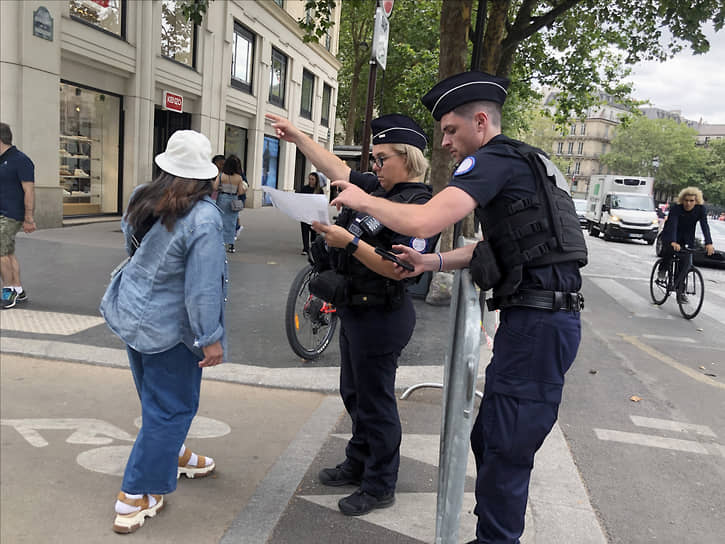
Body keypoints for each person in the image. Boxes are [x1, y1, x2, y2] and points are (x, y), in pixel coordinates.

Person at [329, 71, 587, 543]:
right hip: (536, 319)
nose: (445, 142)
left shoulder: (493, 161)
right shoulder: (526, 163)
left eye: (450, 130)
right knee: (489, 437)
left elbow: (425, 216)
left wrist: (364, 199)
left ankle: (495, 539)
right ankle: (493, 533)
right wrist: (433, 260)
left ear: (482, 121)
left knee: (505, 445)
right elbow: (498, 247)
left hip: (539, 322)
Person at [268, 112, 439, 516]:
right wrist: (297, 136)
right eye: (374, 159)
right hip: (355, 310)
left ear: (407, 159)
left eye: (381, 159)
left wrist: (348, 243)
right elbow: (334, 165)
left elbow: (399, 269)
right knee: (354, 393)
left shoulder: (419, 206)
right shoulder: (375, 188)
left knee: (376, 403)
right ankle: (358, 460)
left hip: (383, 315)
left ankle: (380, 483)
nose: (374, 167)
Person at [99, 130, 226, 534]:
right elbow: (203, 287)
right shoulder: (205, 217)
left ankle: (172, 453)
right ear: (208, 175)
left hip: (133, 312)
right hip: (171, 328)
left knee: (157, 402)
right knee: (171, 409)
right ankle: (134, 496)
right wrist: (211, 337)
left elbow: (131, 245)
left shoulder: (143, 195)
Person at [0, 122, 35, 309]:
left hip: (11, 214)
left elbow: (29, 191)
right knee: (7, 252)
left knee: (0, 252)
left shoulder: (21, 160)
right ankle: (18, 290)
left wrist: (29, 218)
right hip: (1, 213)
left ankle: (8, 290)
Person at [657, 187, 714, 300]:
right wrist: (673, 241)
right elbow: (673, 224)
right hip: (671, 234)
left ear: (696, 201)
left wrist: (709, 243)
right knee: (669, 251)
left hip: (687, 237)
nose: (688, 203)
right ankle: (662, 269)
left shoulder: (700, 210)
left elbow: (704, 226)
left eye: (691, 201)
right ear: (682, 200)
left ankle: (680, 290)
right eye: (686, 200)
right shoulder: (676, 209)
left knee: (686, 264)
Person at [215, 154, 246, 253]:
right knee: (232, 222)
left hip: (222, 199)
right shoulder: (238, 178)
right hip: (233, 199)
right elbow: (241, 191)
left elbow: (215, 187)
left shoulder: (222, 176)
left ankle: (221, 242)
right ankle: (231, 245)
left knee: (221, 221)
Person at [299, 172, 323, 255]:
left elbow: (321, 203)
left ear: (316, 180)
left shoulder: (319, 190)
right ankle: (305, 248)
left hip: (314, 215)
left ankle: (313, 247)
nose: (310, 181)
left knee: (313, 231)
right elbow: (300, 199)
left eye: (312, 179)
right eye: (309, 179)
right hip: (305, 213)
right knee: (305, 231)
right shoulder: (304, 188)